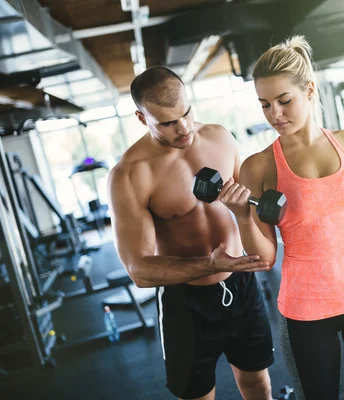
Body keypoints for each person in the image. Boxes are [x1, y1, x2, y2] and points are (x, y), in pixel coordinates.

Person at [218, 36, 344, 400]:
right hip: (306, 310)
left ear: (309, 90)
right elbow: (264, 258)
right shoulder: (258, 166)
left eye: (284, 101)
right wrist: (242, 217)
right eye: (264, 105)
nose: (274, 114)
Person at [107, 66, 275, 400]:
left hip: (241, 287)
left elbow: (250, 210)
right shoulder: (130, 175)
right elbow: (139, 269)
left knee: (258, 384)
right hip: (185, 302)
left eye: (186, 113)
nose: (183, 128)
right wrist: (210, 265)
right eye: (168, 123)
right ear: (142, 118)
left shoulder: (220, 138)